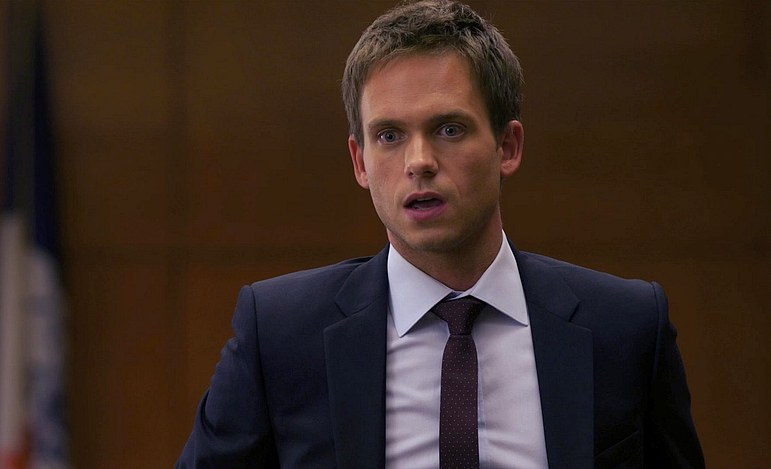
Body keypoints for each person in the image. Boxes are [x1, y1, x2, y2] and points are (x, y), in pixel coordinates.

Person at [177, 1, 705, 468]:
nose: (420, 161)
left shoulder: (626, 327)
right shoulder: (280, 334)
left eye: (449, 129)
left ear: (508, 147)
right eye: (389, 135)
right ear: (360, 162)